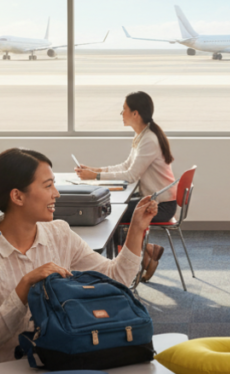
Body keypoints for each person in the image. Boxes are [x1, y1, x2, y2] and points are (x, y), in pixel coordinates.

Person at [0, 148, 157, 365]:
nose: (56, 193)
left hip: (51, 362)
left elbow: (117, 278)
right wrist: (25, 285)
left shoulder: (60, 234)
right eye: (48, 186)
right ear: (17, 196)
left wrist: (137, 228)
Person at [74, 91, 176, 280]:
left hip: (161, 206)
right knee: (112, 211)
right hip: (153, 201)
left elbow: (130, 175)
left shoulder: (149, 140)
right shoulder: (142, 136)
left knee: (113, 213)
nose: (121, 114)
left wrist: (95, 176)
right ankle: (146, 253)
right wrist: (96, 170)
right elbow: (126, 166)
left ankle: (133, 262)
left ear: (135, 113)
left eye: (124, 110)